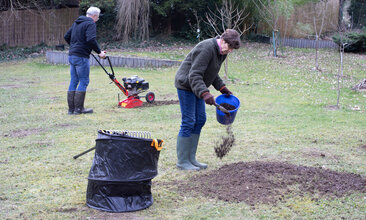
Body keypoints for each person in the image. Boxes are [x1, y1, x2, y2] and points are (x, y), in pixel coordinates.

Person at [174, 29, 241, 170]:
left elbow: (212, 73)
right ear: (222, 40)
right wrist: (205, 93)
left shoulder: (221, 52)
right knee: (189, 121)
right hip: (186, 85)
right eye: (229, 47)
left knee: (200, 120)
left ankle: (191, 158)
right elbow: (195, 74)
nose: (230, 51)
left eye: (232, 50)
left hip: (198, 86)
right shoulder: (206, 48)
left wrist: (221, 87)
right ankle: (182, 162)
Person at [64, 6, 106, 115]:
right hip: (81, 56)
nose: (97, 20)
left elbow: (66, 36)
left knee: (74, 80)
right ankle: (79, 109)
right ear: (94, 16)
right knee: (84, 81)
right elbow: (91, 39)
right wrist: (99, 52)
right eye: (97, 17)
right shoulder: (90, 23)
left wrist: (75, 46)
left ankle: (71, 110)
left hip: (72, 55)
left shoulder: (77, 22)